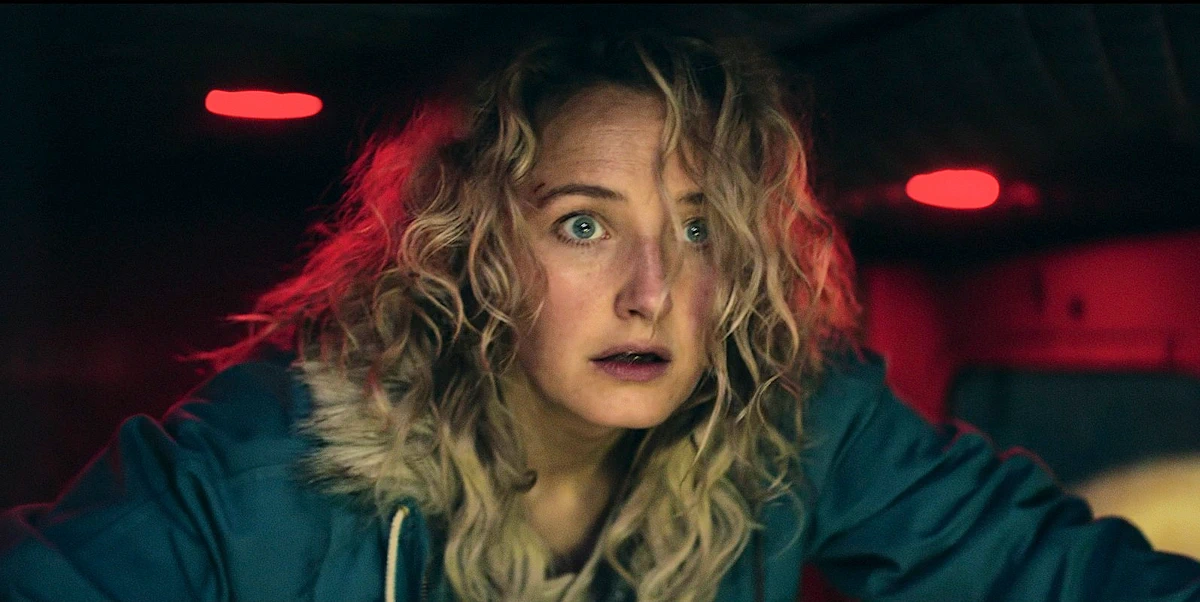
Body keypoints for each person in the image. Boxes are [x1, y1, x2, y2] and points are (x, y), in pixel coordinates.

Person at [2, 28, 1199, 602]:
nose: (651, 288)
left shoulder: (794, 422)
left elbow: (1048, 570)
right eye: (584, 223)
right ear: (472, 249)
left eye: (699, 228)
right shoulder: (271, 468)